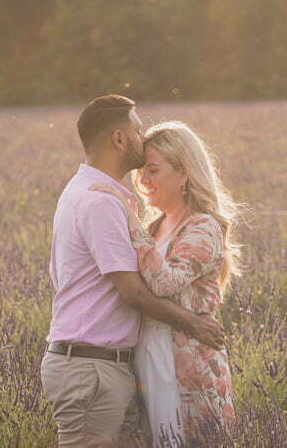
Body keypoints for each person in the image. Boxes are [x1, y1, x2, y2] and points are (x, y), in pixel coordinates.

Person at [40, 95, 225, 447]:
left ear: (184, 173)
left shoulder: (87, 193)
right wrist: (193, 322)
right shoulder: (103, 202)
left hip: (120, 366)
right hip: (93, 367)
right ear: (119, 139)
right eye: (137, 131)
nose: (142, 138)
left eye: (154, 171)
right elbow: (134, 292)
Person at [91, 120, 239, 446]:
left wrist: (127, 217)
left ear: (184, 173)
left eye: (153, 170)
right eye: (141, 170)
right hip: (150, 355)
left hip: (187, 363)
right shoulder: (156, 226)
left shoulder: (203, 227)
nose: (143, 180)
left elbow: (163, 283)